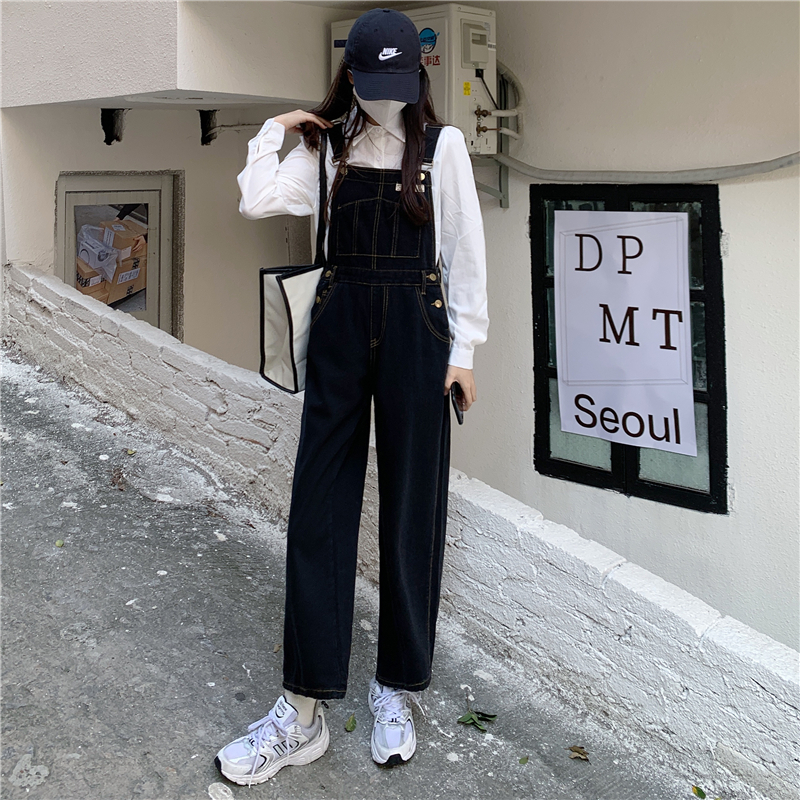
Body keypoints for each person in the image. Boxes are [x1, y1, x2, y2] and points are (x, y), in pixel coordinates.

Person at [215, 7, 489, 786]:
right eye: (373, 84)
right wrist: (273, 131)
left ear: (415, 79)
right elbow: (259, 202)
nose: (385, 98)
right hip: (339, 325)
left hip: (418, 331)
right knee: (318, 508)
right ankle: (301, 711)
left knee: (412, 508)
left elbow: (464, 252)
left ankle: (396, 686)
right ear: (352, 77)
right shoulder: (327, 144)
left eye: (397, 84)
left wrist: (464, 352)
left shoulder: (443, 147)